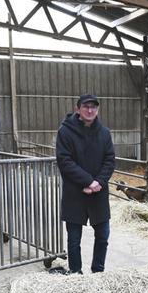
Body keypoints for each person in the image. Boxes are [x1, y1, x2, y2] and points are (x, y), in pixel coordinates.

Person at [55, 94, 115, 274]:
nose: (90, 110)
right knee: (74, 239)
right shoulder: (65, 132)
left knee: (103, 235)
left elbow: (110, 161)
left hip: (98, 192)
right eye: (86, 106)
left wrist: (98, 182)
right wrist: (88, 181)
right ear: (77, 108)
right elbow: (64, 161)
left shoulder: (104, 133)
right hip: (75, 192)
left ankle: (98, 271)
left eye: (93, 107)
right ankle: (76, 273)